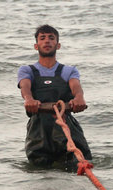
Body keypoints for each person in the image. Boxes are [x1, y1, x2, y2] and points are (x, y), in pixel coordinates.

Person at [17, 24, 92, 168]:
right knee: (39, 168)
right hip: (38, 128)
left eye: (51, 38)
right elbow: (25, 87)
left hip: (65, 125)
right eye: (42, 38)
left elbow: (76, 87)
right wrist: (29, 100)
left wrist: (79, 98)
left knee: (79, 164)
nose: (47, 41)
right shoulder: (27, 70)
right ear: (36, 45)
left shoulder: (69, 71)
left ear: (58, 45)